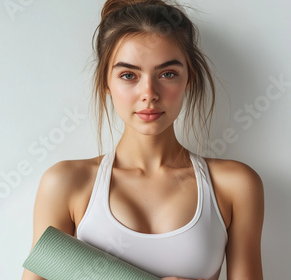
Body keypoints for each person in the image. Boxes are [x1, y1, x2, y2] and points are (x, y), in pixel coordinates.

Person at [21, 0, 264, 279]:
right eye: (128, 75)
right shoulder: (66, 182)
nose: (149, 93)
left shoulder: (234, 185)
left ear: (189, 79)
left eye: (168, 74)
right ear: (106, 83)